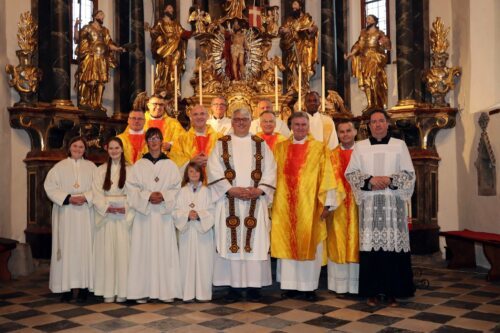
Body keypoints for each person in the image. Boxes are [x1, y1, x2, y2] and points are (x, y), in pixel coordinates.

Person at [345, 109, 415, 307]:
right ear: (369, 125)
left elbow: (409, 173)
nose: (377, 124)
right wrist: (370, 180)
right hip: (371, 208)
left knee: (393, 248)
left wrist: (389, 180)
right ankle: (372, 292)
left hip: (393, 205)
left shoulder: (399, 146)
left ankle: (393, 291)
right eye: (373, 121)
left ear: (387, 124)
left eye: (381, 121)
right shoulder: (360, 147)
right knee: (372, 250)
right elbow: (351, 173)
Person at [207, 108, 277, 302]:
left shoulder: (260, 144)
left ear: (250, 121)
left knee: (256, 242)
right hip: (229, 201)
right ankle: (234, 287)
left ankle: (254, 287)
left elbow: (271, 169)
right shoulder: (221, 144)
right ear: (231, 121)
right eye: (236, 119)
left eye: (244, 119)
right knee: (232, 242)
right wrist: (230, 189)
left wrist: (260, 189)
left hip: (256, 201)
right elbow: (212, 169)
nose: (240, 123)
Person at [271, 112, 342, 301]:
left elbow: (328, 176)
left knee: (310, 243)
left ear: (308, 127)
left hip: (310, 206)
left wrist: (328, 204)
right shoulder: (280, 149)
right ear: (291, 126)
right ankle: (289, 286)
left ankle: (308, 287)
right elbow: (271, 176)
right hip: (284, 205)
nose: (300, 128)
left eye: (304, 124)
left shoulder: (319, 148)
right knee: (287, 243)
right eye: (297, 124)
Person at [126, 127, 182, 303]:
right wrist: (147, 196)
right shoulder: (139, 165)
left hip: (163, 215)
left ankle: (165, 291)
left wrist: (163, 196)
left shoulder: (171, 165)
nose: (154, 141)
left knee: (165, 252)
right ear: (147, 141)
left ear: (162, 141)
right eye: (151, 138)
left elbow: (177, 188)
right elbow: (131, 188)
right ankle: (142, 291)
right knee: (143, 251)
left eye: (157, 138)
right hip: (145, 215)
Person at [44, 136, 97, 302]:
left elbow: (99, 187)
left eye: (81, 147)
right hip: (66, 213)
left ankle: (84, 288)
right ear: (69, 147)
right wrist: (68, 198)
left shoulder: (92, 167)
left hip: (85, 214)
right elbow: (50, 187)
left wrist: (86, 197)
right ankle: (65, 288)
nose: (78, 149)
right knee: (67, 248)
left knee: (85, 248)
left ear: (85, 149)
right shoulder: (58, 167)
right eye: (75, 146)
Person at [92, 137, 134, 303]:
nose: (114, 151)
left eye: (117, 148)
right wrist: (106, 207)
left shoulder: (131, 170)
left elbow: (135, 193)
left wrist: (126, 208)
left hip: (124, 215)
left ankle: (123, 291)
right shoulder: (100, 170)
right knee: (108, 254)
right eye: (111, 148)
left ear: (122, 149)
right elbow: (96, 193)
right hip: (107, 216)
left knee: (124, 254)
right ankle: (107, 290)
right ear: (106, 150)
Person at [173, 162, 215, 302]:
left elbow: (213, 210)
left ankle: (203, 293)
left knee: (204, 263)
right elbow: (175, 210)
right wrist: (186, 214)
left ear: (201, 173)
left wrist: (199, 215)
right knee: (186, 262)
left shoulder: (207, 191)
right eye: (191, 171)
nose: (194, 174)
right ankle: (188, 293)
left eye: (197, 171)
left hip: (203, 233)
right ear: (187, 174)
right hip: (187, 232)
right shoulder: (181, 191)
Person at [327, 120, 359, 294]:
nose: (345, 134)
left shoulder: (362, 153)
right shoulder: (331, 154)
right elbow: (327, 180)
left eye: (348, 130)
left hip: (358, 205)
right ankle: (339, 285)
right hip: (337, 206)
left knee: (356, 241)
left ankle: (356, 285)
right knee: (338, 241)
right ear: (338, 134)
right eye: (342, 131)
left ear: (355, 132)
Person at [74, 10, 124, 112]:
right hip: (91, 57)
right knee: (88, 80)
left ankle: (98, 103)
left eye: (103, 16)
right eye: (101, 15)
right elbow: (77, 38)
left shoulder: (105, 30)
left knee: (101, 82)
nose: (102, 17)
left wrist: (118, 48)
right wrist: (75, 26)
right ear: (95, 16)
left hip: (102, 59)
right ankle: (84, 101)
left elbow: (109, 44)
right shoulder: (88, 28)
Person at [345, 15, 391, 111]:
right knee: (366, 82)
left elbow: (387, 46)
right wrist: (351, 54)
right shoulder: (363, 33)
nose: (367, 21)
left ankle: (377, 104)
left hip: (374, 58)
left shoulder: (379, 33)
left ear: (374, 21)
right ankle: (370, 104)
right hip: (364, 59)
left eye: (369, 19)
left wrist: (385, 42)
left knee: (374, 80)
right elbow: (359, 45)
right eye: (366, 19)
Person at [149, 4, 192, 94]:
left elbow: (183, 32)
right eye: (169, 8)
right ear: (165, 10)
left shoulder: (176, 23)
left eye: (172, 9)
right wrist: (154, 33)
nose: (171, 10)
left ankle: (173, 88)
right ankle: (163, 86)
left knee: (175, 66)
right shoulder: (160, 22)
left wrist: (193, 31)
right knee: (165, 66)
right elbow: (154, 34)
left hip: (176, 48)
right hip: (165, 48)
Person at [169, 105, 222, 175]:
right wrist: (191, 162)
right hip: (190, 181)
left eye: (202, 114)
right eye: (195, 114)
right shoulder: (181, 140)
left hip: (214, 182)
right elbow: (174, 162)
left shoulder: (219, 138)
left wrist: (210, 161)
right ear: (190, 118)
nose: (199, 117)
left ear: (208, 116)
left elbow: (226, 160)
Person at [279, 0, 318, 93]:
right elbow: (281, 29)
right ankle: (293, 87)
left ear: (300, 6)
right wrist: (284, 30)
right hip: (291, 47)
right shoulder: (289, 20)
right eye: (292, 5)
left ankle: (303, 87)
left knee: (303, 67)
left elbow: (314, 28)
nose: (293, 7)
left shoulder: (306, 17)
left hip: (303, 46)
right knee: (292, 65)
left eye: (295, 5)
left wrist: (311, 29)